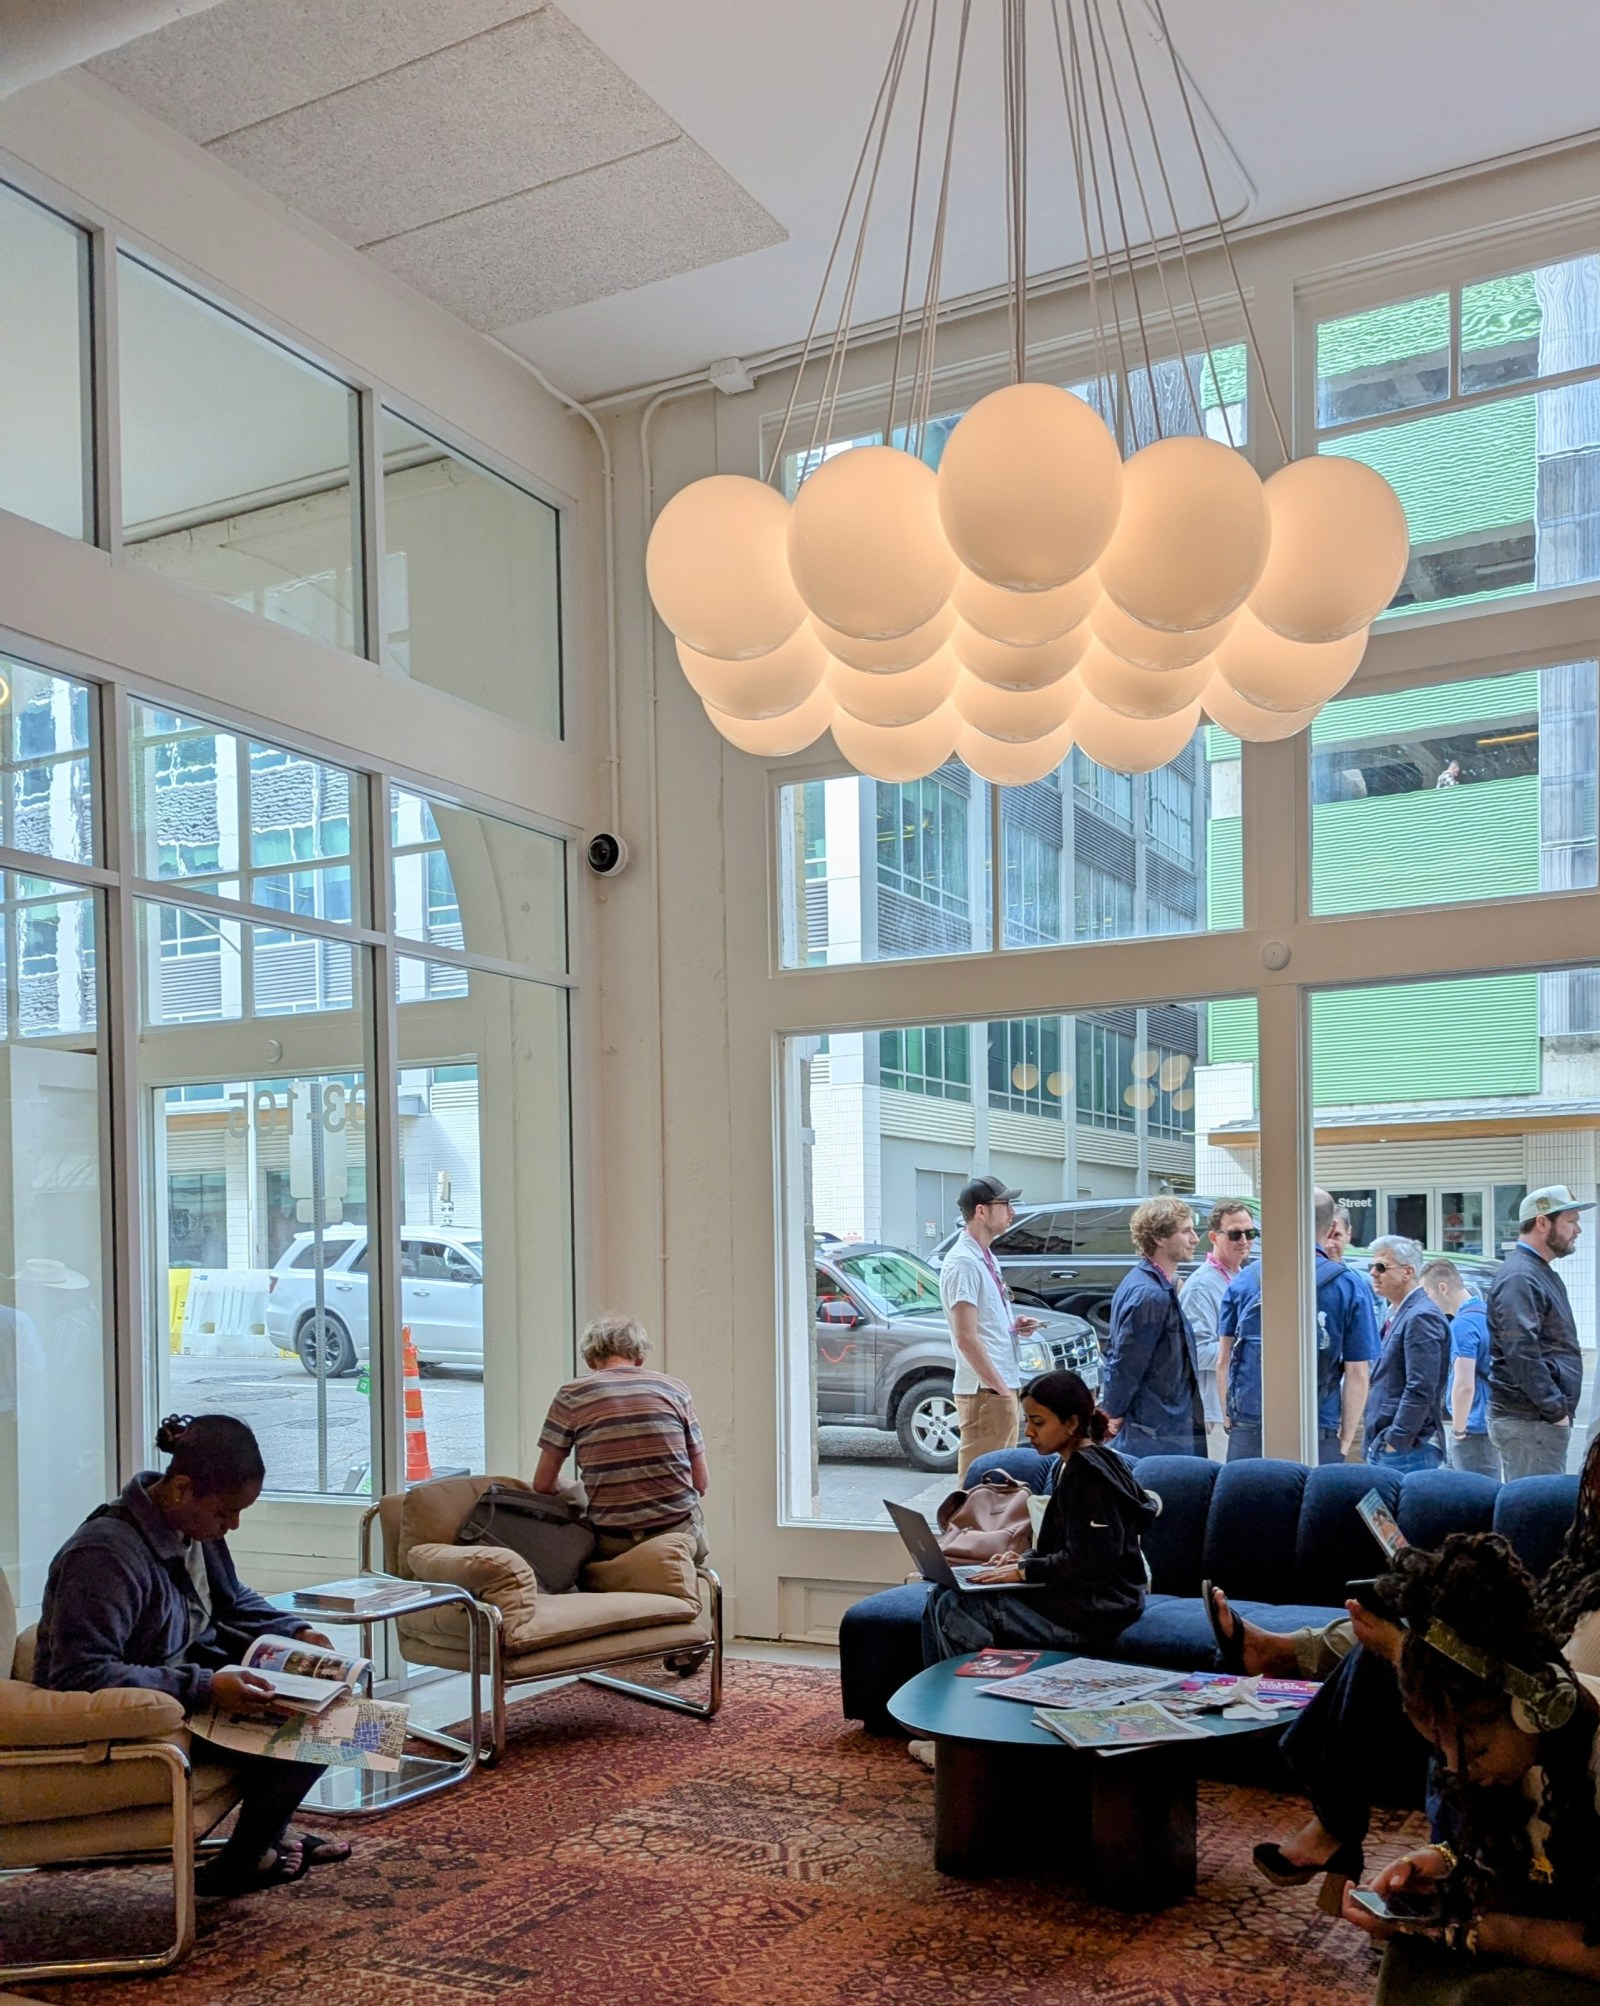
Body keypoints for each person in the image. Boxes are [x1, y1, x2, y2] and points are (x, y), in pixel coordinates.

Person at [1223, 1432, 1600, 1909]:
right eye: (1593, 1488)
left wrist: (1481, 1936)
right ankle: (1296, 1662)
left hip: (1521, 1713)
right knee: (1404, 1632)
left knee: (1392, 1651)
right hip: (1501, 1701)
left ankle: (1333, 1822)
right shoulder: (1579, 1571)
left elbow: (1545, 1691)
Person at [33, 1413, 351, 1897]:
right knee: (318, 1730)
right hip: (140, 1710)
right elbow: (79, 1673)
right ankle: (243, 1862)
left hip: (188, 1678)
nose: (233, 1525)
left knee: (339, 1713)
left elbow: (231, 1600)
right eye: (226, 1512)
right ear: (182, 1489)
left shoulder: (195, 1530)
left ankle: (260, 1845)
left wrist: (295, 1631)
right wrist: (205, 1687)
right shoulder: (104, 1556)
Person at [1340, 1533, 1600, 2001]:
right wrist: (1446, 1865)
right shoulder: (1520, 1753)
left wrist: (1489, 1934)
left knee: (1488, 1991)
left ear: (1535, 1708)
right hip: (1566, 1921)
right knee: (1412, 1955)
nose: (1463, 1770)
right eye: (1442, 1752)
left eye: (1476, 1752)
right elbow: (1527, 1859)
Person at [919, 1370, 1162, 1665]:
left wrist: (1025, 1571)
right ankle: (942, 1691)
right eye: (1028, 1421)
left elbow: (1091, 1563)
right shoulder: (1070, 1464)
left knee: (956, 1608)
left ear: (1071, 1423)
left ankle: (963, 1691)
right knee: (941, 1594)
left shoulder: (1089, 1476)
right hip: (1078, 1598)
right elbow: (1070, 1548)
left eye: (1038, 1422)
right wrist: (1022, 1560)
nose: (1029, 1432)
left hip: (1098, 1612)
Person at [1219, 1187, 1379, 1465]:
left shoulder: (1246, 1280)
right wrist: (1343, 1441)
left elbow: (1224, 1360)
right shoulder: (1348, 1286)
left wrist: (1229, 1417)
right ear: (1332, 1228)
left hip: (1250, 1424)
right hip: (1317, 1425)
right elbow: (1357, 1372)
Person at [534, 1312, 709, 1560]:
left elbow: (543, 1484)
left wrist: (582, 1490)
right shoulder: (675, 1389)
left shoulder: (571, 1395)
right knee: (693, 1527)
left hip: (613, 1544)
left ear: (591, 1360)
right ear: (640, 1357)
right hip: (677, 1536)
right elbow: (701, 1484)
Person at [937, 1175, 1043, 1483]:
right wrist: (999, 1389)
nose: (1012, 1211)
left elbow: (981, 1323)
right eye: (1005, 1204)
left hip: (997, 1387)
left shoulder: (984, 1256)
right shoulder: (963, 1263)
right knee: (979, 1488)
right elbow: (966, 1337)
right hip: (985, 1391)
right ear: (981, 1211)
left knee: (998, 1487)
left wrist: (1013, 1327)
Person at [1489, 1185, 1592, 1482]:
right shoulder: (1521, 1276)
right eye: (1571, 1221)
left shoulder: (1535, 1271)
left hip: (1535, 1421)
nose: (1578, 1230)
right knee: (1534, 1506)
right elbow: (1521, 1351)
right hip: (1530, 1423)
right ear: (1542, 1222)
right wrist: (1555, 1409)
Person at [1102, 1197, 1205, 1459]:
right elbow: (1125, 1363)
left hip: (1158, 1424)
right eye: (1185, 1231)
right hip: (1156, 1429)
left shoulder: (1145, 1282)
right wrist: (1112, 1412)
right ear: (1159, 1238)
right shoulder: (1150, 1294)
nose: (1195, 1239)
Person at [1178, 1199, 1257, 1460]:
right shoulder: (1201, 1286)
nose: (1244, 1241)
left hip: (1238, 1405)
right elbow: (1197, 1351)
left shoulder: (1240, 1276)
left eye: (1250, 1233)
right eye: (1235, 1234)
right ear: (1214, 1237)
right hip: (1214, 1410)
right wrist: (1250, 1351)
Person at [1366, 1235, 1450, 1472]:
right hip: (1390, 1445)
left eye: (1381, 1267)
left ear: (1407, 1272)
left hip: (1408, 1451)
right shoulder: (1397, 1312)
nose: (1373, 1272)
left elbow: (1421, 1387)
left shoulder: (1421, 1317)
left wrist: (1396, 1440)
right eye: (1371, 1266)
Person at [1421, 1259, 1500, 1480]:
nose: (1426, 1302)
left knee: (1476, 1491)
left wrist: (1458, 1430)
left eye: (1427, 1294)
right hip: (1489, 1417)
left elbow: (1464, 1385)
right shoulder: (1486, 1313)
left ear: (1442, 1288)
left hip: (1472, 1427)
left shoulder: (1462, 1325)